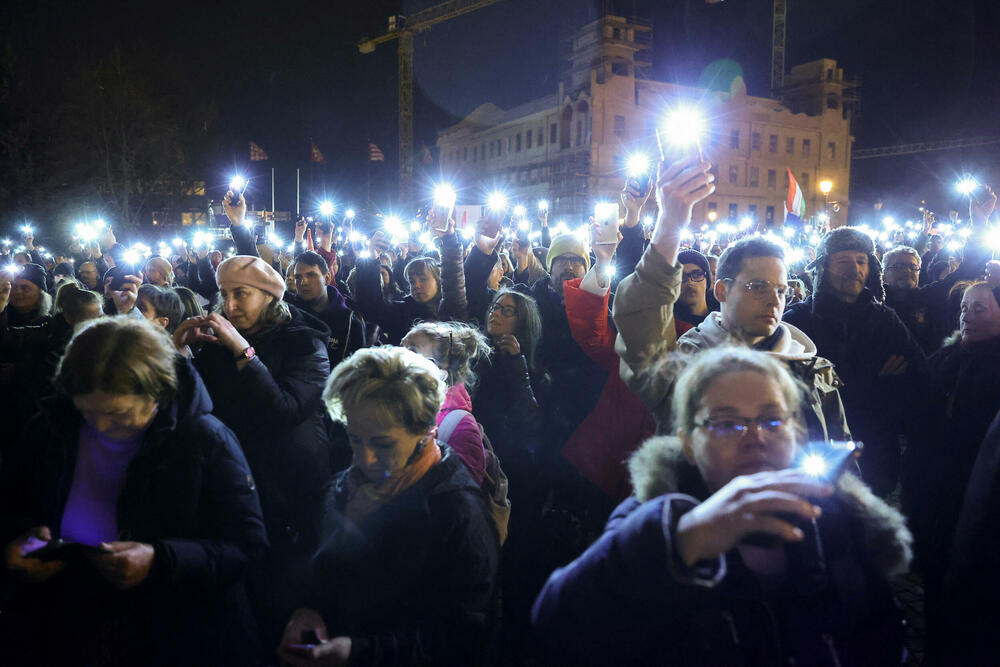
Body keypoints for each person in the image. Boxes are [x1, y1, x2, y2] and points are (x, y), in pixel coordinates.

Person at [531, 348, 911, 666]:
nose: (755, 438)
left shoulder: (838, 520)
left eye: (772, 419)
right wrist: (682, 542)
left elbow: (883, 642)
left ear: (797, 433)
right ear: (688, 444)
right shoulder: (652, 521)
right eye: (726, 424)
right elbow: (558, 628)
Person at [0, 317, 268, 666]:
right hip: (69, 626)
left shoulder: (205, 439)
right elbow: (10, 503)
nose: (101, 427)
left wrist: (161, 559)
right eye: (88, 412)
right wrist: (14, 543)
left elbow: (247, 546)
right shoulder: (52, 427)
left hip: (177, 636)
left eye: (118, 414)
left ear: (158, 392)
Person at [277, 346, 500, 667]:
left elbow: (461, 638)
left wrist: (359, 652)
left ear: (426, 432)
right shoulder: (349, 485)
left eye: (383, 444)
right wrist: (306, 611)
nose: (364, 459)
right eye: (355, 438)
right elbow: (327, 565)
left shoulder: (458, 514)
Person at [613, 163, 851, 448]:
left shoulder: (813, 368)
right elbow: (642, 323)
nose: (774, 299)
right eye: (757, 286)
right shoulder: (687, 363)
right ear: (722, 290)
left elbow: (841, 457)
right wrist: (670, 224)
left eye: (781, 290)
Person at [783, 227, 925, 495]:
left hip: (876, 451)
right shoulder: (798, 321)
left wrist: (890, 388)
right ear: (824, 266)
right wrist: (873, 380)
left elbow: (917, 373)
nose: (855, 269)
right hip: (814, 450)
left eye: (861, 261)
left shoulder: (886, 319)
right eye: (843, 261)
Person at [904, 281, 1000, 653]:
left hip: (976, 496)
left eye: (980, 309)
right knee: (933, 575)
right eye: (964, 308)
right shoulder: (944, 358)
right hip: (933, 492)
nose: (968, 317)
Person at [883, 188, 994, 354]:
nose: (907, 270)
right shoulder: (873, 304)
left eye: (913, 267)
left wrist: (979, 226)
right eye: (898, 266)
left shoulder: (929, 297)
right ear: (883, 274)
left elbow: (967, 270)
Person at [401, 321, 491, 485]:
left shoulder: (461, 428)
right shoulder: (396, 402)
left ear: (440, 372)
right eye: (401, 347)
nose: (397, 356)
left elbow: (461, 499)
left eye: (411, 351)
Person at [287, 251, 366, 366]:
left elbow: (358, 373)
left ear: (327, 278)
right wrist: (249, 356)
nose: (303, 282)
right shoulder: (287, 314)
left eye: (311, 275)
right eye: (298, 277)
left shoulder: (350, 324)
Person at [673, 249, 713, 327]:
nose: (690, 282)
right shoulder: (669, 326)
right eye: (682, 277)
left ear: (707, 281)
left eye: (697, 275)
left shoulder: (724, 316)